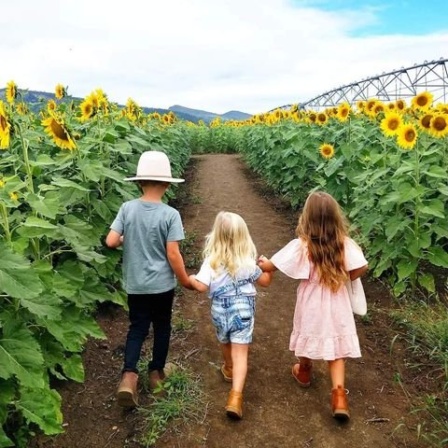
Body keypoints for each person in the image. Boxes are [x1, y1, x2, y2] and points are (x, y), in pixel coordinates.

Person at [258, 191, 368, 421]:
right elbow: (361, 267)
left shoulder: (302, 246)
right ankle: (339, 396)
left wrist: (262, 262)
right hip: (337, 301)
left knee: (308, 335)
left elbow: (272, 265)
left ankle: (305, 371)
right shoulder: (345, 244)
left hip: (311, 304)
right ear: (336, 218)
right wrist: (345, 277)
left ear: (306, 218)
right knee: (336, 351)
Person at [105, 150, 192, 408]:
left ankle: (129, 377)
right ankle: (156, 374)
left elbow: (111, 241)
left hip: (136, 284)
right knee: (162, 327)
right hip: (162, 286)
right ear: (166, 184)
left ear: (139, 182)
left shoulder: (127, 208)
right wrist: (185, 279)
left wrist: (125, 239)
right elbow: (173, 254)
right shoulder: (170, 215)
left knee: (137, 328)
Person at [189, 211, 272, 420]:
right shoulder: (247, 262)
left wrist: (189, 278)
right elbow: (265, 282)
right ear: (244, 237)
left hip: (220, 310)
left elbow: (200, 286)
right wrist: (268, 267)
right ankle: (235, 397)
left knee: (225, 341)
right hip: (243, 309)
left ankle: (228, 368)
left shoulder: (211, 261)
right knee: (241, 352)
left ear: (216, 236)